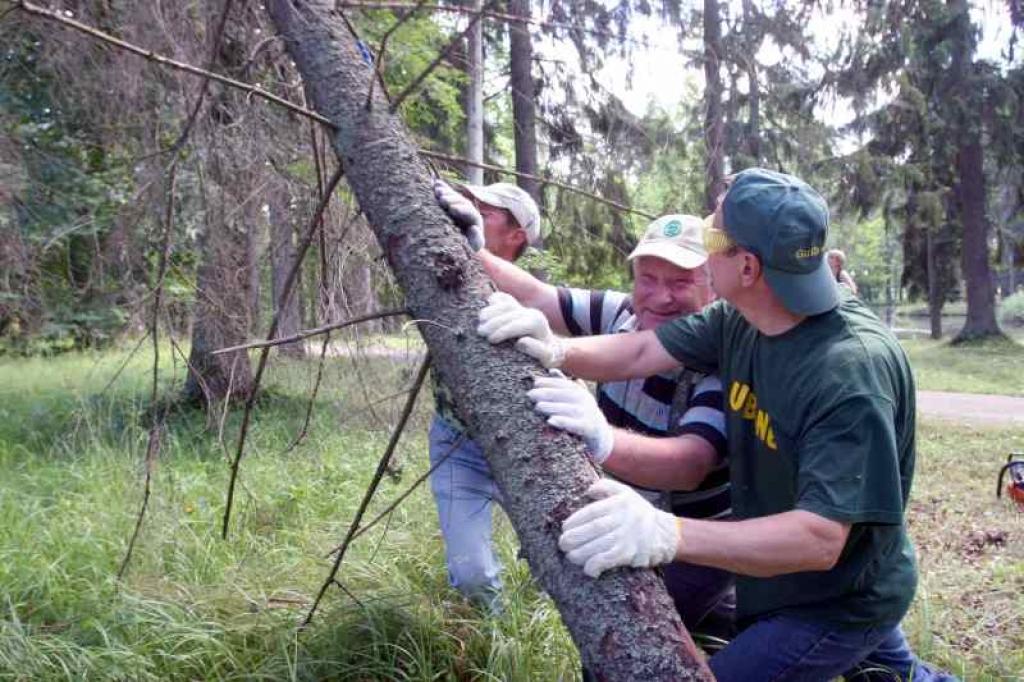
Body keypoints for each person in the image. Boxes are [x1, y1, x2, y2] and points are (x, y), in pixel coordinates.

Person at [476, 168, 955, 681]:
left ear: (746, 266)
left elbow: (820, 539)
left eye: (714, 234)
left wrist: (667, 532)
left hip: (834, 597)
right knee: (893, 676)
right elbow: (642, 348)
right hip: (777, 575)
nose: (704, 238)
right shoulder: (744, 318)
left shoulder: (847, 376)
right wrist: (556, 349)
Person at [435, 181, 734, 634]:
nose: (659, 296)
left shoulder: (718, 362)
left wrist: (603, 438)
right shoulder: (621, 315)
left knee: (650, 637)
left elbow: (691, 464)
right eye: (647, 279)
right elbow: (540, 297)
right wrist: (473, 246)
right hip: (627, 515)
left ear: (713, 287)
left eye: (680, 282)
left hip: (696, 541)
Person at [427, 180, 541, 611]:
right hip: (456, 443)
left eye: (486, 211)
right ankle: (489, 653)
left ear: (517, 236)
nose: (469, 211)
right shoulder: (441, 272)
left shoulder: (532, 298)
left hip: (524, 447)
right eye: (472, 203)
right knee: (471, 573)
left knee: (554, 566)